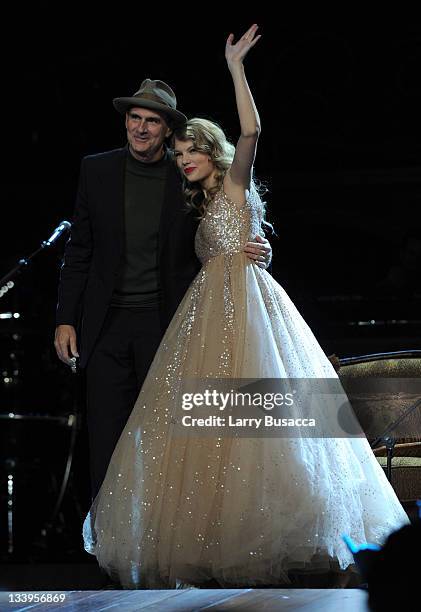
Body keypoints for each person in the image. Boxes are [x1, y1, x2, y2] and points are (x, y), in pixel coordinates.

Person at [82, 25, 410, 589]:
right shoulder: (196, 202)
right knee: (209, 434)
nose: (184, 159)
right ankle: (214, 548)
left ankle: (316, 546)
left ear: (213, 153)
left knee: (275, 426)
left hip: (252, 312)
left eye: (193, 150)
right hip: (205, 317)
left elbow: (252, 130)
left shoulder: (234, 183)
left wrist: (236, 68)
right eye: (180, 152)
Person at [54, 76, 272, 500]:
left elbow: (230, 224)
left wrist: (262, 250)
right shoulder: (96, 169)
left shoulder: (186, 176)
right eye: (134, 117)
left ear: (167, 130)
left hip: (167, 322)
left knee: (168, 440)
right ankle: (109, 549)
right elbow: (79, 249)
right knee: (106, 435)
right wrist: (65, 318)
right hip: (105, 325)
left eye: (152, 121)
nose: (140, 127)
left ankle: (159, 546)